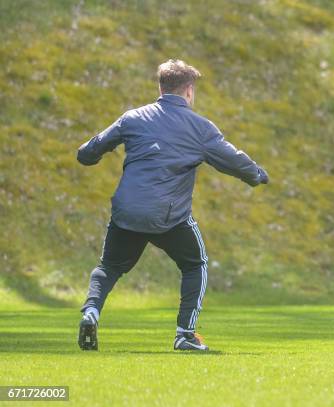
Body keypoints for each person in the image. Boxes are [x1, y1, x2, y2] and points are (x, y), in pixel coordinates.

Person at [76, 59, 268, 351]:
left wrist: (93, 154)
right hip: (168, 216)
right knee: (195, 264)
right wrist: (256, 175)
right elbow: (232, 159)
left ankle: (91, 312)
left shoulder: (132, 118)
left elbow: (88, 153)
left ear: (161, 87)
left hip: (127, 211)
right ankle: (185, 335)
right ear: (189, 91)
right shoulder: (200, 128)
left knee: (109, 267)